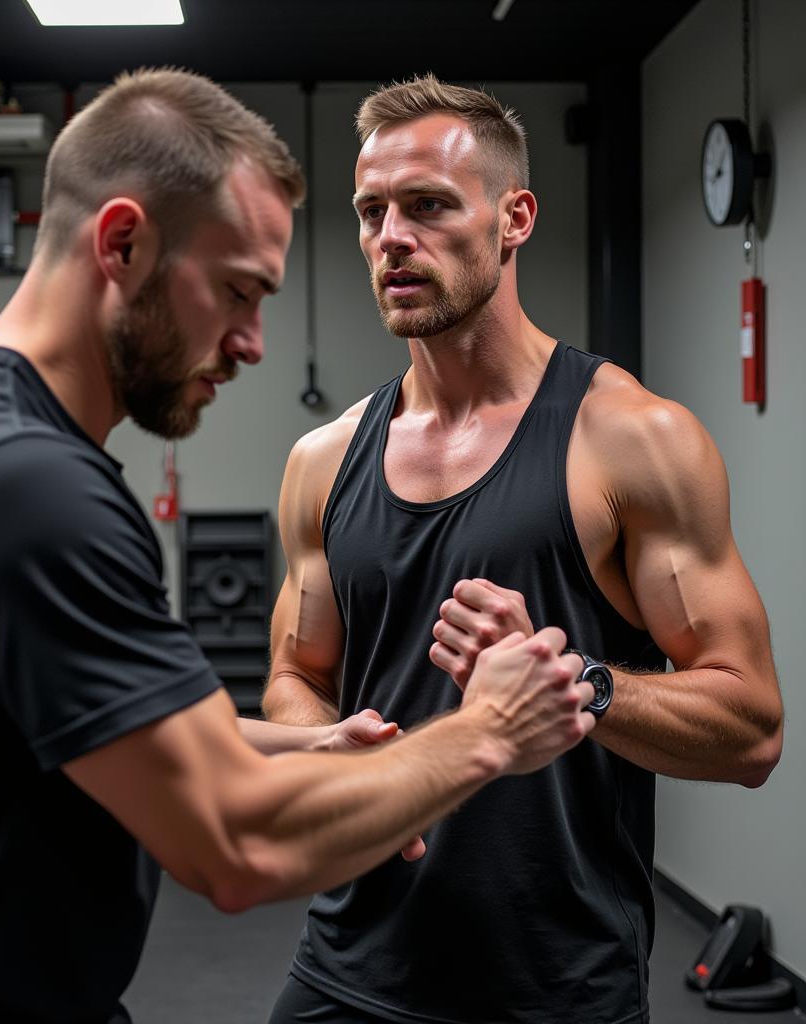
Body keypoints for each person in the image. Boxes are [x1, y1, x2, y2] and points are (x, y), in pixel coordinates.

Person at [0, 70, 598, 1024]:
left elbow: (75, 724)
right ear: (123, 243)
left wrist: (316, 744)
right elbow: (235, 849)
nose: (254, 343)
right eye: (237, 292)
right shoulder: (23, 489)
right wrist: (487, 732)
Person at [263, 74, 784, 1024]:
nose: (391, 239)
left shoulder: (632, 439)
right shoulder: (323, 461)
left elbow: (753, 730)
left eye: (427, 206)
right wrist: (341, 756)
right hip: (348, 966)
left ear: (515, 218)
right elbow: (296, 674)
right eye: (371, 211)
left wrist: (577, 680)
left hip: (557, 983)